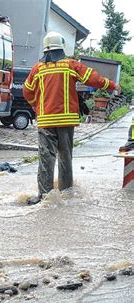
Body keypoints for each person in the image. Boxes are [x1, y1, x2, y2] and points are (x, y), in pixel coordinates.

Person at [23, 31, 121, 205]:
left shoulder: (37, 69)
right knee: (65, 157)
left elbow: (27, 90)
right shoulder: (71, 65)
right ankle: (66, 193)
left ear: (46, 50)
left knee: (46, 158)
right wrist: (113, 85)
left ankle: (44, 196)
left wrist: (34, 105)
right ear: (61, 48)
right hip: (66, 121)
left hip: (45, 121)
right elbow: (94, 79)